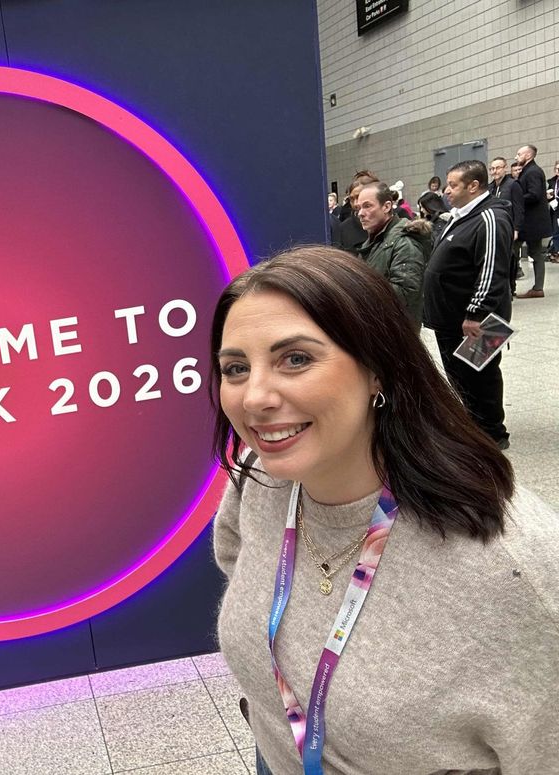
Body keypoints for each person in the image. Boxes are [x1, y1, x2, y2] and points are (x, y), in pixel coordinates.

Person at [210, 245, 558, 775]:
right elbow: (240, 563)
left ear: (378, 369)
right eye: (235, 368)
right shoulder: (262, 481)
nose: (254, 396)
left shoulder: (512, 565)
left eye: (296, 359)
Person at [424, 160, 512, 449]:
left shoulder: (490, 218)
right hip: (451, 318)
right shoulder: (463, 216)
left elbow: (492, 270)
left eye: (453, 185)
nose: (447, 190)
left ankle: (491, 434)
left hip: (475, 321)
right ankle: (473, 426)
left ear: (473, 186)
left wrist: (477, 313)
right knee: (461, 376)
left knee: (480, 376)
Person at [355, 182, 430, 327]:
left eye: (367, 206)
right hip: (380, 328)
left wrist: (359, 290)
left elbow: (404, 294)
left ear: (387, 207)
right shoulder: (377, 240)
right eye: (358, 208)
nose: (360, 213)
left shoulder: (404, 243)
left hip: (395, 334)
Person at [514, 144, 551, 298]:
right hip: (530, 222)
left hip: (531, 222)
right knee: (523, 252)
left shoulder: (533, 172)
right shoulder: (530, 171)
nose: (516, 157)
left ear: (528, 155)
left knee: (530, 253)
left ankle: (537, 288)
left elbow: (534, 194)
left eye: (519, 154)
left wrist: (515, 199)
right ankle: (535, 287)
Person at [488, 155, 525, 291]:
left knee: (510, 258)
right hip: (495, 227)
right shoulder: (490, 187)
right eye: (492, 169)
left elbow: (519, 208)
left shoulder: (513, 185)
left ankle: (511, 287)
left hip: (509, 228)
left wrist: (516, 229)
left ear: (505, 168)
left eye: (498, 168)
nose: (495, 171)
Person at [546, 160, 559, 260]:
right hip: (554, 210)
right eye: (557, 169)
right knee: (555, 232)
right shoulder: (552, 181)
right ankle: (557, 252)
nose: (558, 171)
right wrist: (549, 197)